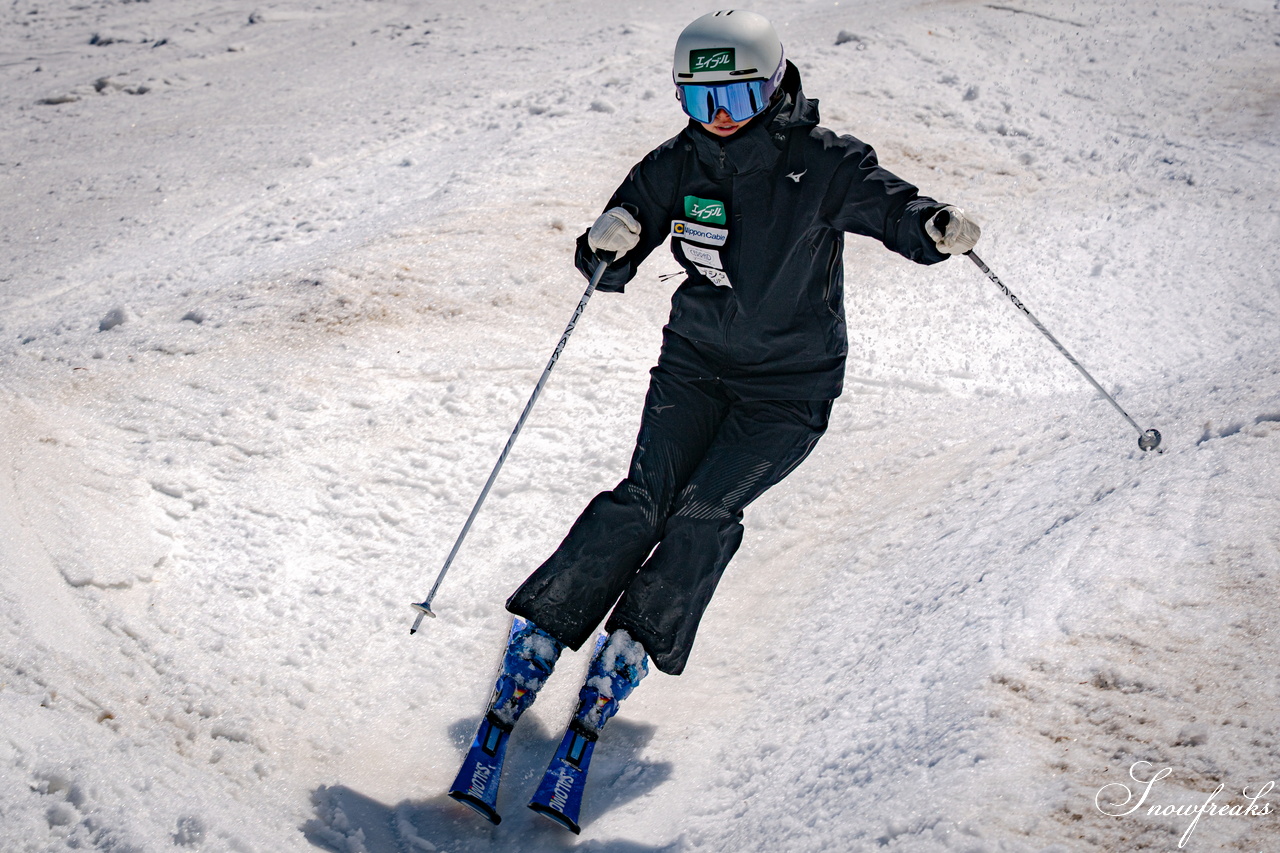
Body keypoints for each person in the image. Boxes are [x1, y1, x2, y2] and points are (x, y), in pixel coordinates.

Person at [448, 9, 981, 831]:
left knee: (702, 512)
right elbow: (607, 252)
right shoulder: (677, 163)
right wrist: (608, 243)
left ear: (772, 85)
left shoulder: (821, 163)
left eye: (737, 93)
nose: (721, 114)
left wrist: (932, 227)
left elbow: (889, 205)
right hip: (694, 367)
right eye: (701, 100)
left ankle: (616, 669)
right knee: (639, 502)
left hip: (787, 393)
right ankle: (531, 658)